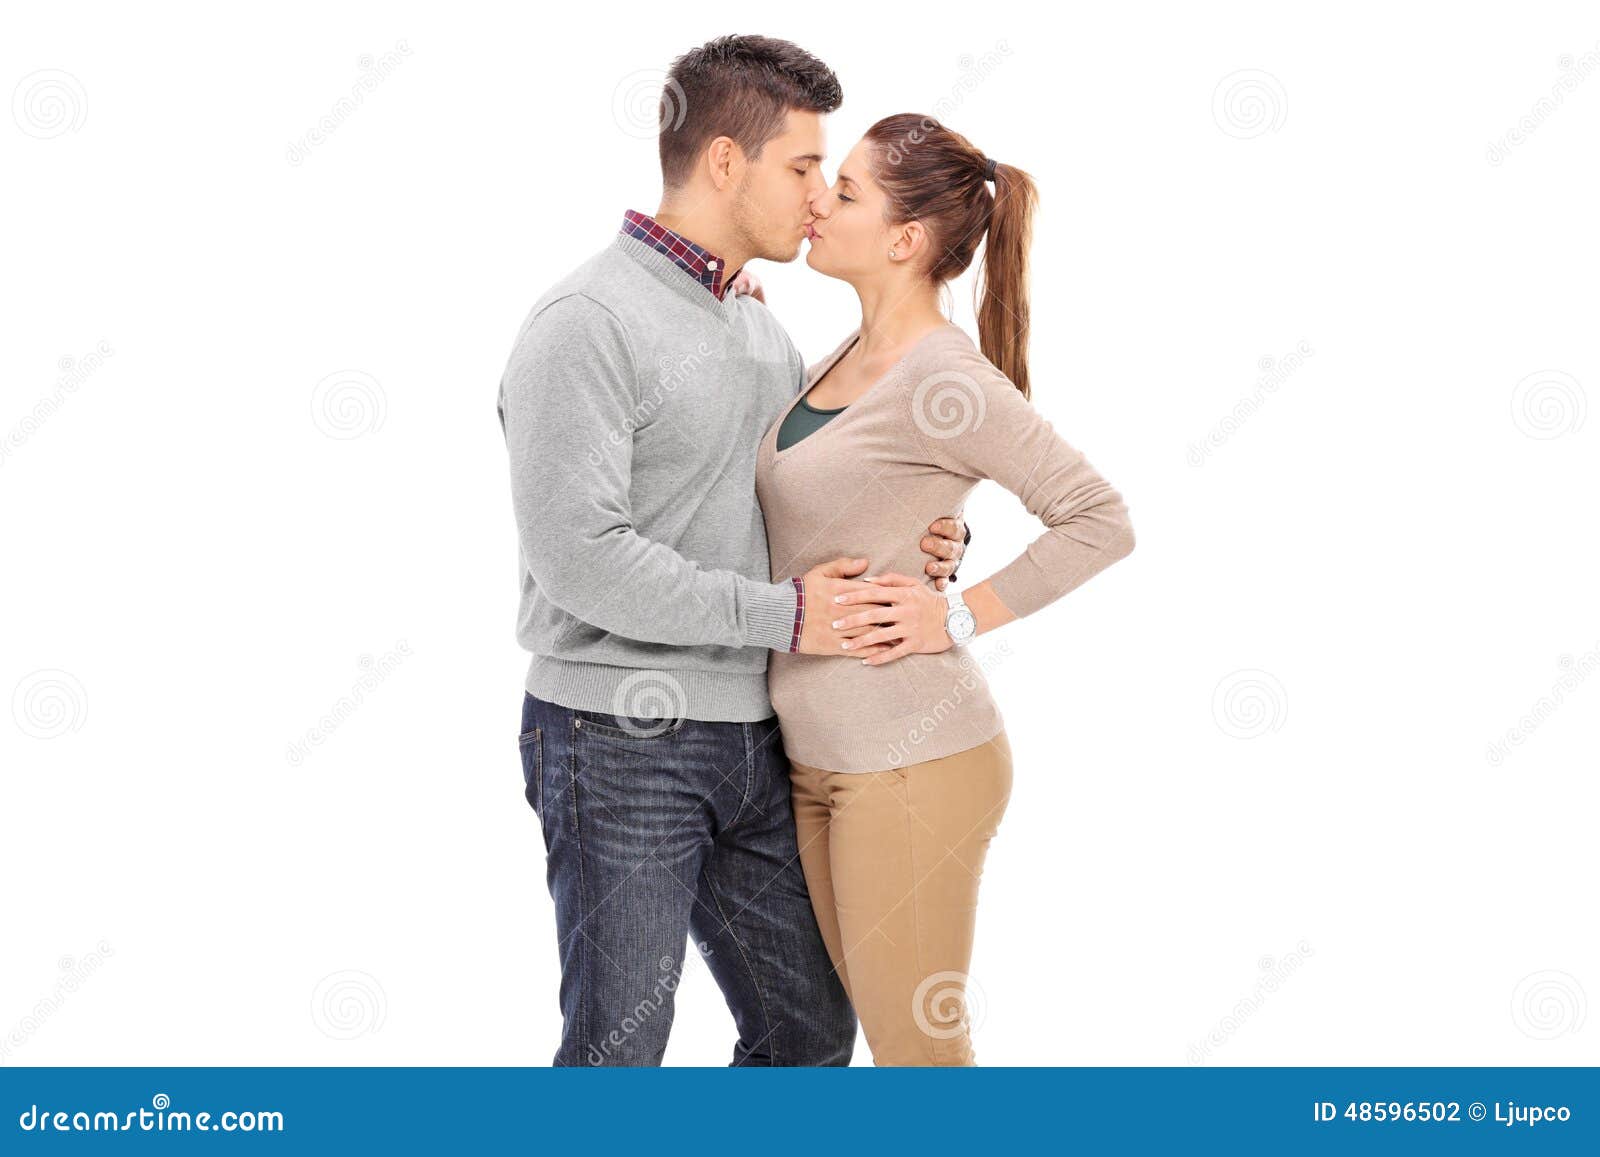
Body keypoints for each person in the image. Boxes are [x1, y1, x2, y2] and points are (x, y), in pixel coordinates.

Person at [496, 38, 969, 1066]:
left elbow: (798, 499)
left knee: (807, 1024)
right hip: (615, 737)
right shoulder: (586, 323)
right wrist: (785, 614)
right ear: (724, 162)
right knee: (620, 1050)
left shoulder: (756, 332)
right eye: (802, 167)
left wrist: (922, 529)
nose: (817, 194)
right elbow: (582, 556)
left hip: (754, 737)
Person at [754, 114, 1137, 1064]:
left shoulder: (942, 375)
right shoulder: (836, 358)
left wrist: (954, 612)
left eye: (844, 191)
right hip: (816, 752)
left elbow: (1099, 518)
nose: (817, 202)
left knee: (921, 1064)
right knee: (894, 1052)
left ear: (906, 240)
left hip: (909, 759)